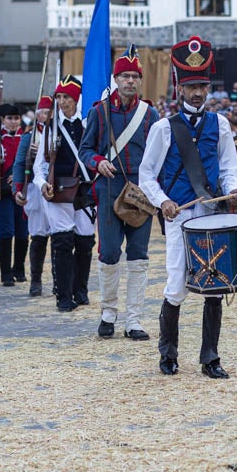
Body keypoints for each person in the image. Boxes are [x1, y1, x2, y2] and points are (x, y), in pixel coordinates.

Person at [139, 36, 237, 378]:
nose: (198, 92)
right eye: (191, 86)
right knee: (177, 285)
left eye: (202, 85)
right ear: (179, 88)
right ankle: (168, 354)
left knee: (215, 283)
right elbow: (146, 174)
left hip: (212, 215)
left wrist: (233, 190)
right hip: (180, 215)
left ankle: (210, 357)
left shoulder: (221, 124)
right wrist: (163, 201)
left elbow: (228, 166)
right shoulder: (163, 128)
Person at [78, 50, 159, 341]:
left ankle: (133, 320)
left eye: (135, 76)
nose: (130, 81)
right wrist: (98, 161)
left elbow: (160, 155)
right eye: (125, 76)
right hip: (109, 187)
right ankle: (108, 313)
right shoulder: (99, 112)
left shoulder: (150, 115)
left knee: (139, 255)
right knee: (109, 253)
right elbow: (84, 150)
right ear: (115, 79)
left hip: (142, 192)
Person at [34, 77, 95, 312]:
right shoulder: (50, 129)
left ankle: (81, 290)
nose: (62, 102)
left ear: (76, 99)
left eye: (67, 97)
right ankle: (63, 295)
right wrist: (42, 185)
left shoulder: (89, 124)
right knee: (62, 242)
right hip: (59, 190)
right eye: (59, 97)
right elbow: (40, 167)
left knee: (85, 242)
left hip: (85, 190)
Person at [0, 103, 29, 287]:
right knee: (6, 232)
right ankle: (6, 273)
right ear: (3, 120)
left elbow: (30, 164)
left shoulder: (26, 139)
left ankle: (19, 268)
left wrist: (18, 176)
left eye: (16, 118)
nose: (13, 122)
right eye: (10, 118)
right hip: (2, 192)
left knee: (22, 232)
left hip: (20, 190)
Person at [14, 97, 53, 296]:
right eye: (45, 112)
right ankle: (35, 280)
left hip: (56, 186)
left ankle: (59, 281)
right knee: (38, 236)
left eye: (50, 112)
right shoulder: (29, 137)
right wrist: (18, 189)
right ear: (38, 115)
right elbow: (20, 164)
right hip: (35, 191)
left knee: (59, 235)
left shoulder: (58, 132)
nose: (47, 116)